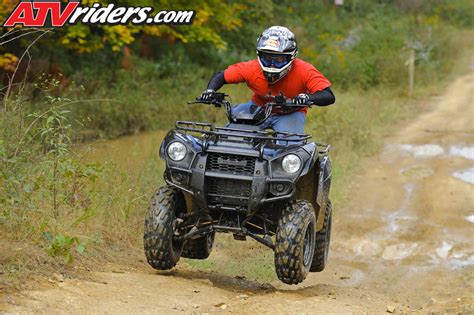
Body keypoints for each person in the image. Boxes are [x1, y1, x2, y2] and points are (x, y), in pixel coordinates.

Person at [200, 25, 335, 135]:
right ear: (260, 54)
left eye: (279, 59)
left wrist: (306, 97)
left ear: (290, 57)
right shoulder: (251, 68)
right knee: (231, 137)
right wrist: (210, 90)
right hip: (258, 108)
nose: (272, 63)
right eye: (267, 57)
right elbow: (221, 76)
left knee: (289, 147)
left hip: (290, 112)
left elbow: (328, 95)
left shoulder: (304, 70)